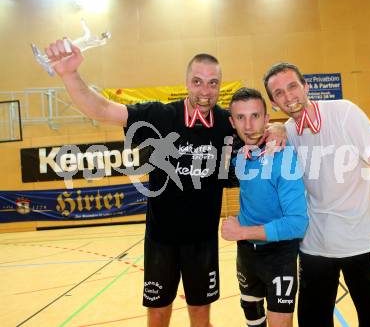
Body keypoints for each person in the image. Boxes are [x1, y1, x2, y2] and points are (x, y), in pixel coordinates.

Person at [44, 38, 284, 327]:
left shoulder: (226, 123)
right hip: (161, 240)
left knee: (201, 318)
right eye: (197, 82)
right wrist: (70, 75)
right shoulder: (160, 116)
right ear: (187, 82)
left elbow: (258, 128)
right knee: (157, 318)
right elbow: (102, 110)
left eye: (212, 83)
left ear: (220, 86)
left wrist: (279, 126)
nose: (205, 91)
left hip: (202, 242)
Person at [263, 62, 370, 327]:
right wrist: (280, 128)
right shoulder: (288, 132)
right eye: (279, 93)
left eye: (293, 86)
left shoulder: (344, 112)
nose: (288, 96)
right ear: (274, 102)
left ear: (306, 86)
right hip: (314, 249)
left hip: (363, 245)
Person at [221, 87, 308, 327]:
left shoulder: (283, 156)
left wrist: (241, 232)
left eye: (256, 116)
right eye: (241, 117)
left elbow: (297, 223)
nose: (249, 125)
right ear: (232, 122)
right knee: (251, 314)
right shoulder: (235, 153)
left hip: (279, 253)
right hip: (247, 254)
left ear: (267, 119)